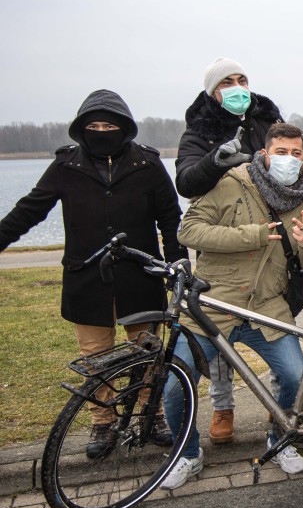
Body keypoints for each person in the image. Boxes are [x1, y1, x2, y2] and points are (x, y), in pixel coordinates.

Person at [0, 89, 187, 458]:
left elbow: (169, 217)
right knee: (94, 357)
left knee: (146, 352)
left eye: (110, 124)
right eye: (94, 125)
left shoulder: (147, 164)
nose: (102, 130)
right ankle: (102, 423)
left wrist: (177, 260)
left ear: (125, 127)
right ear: (82, 128)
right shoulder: (67, 165)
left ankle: (152, 417)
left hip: (141, 274)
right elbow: (29, 211)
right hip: (87, 277)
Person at [161, 123, 303, 489]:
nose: (289, 160)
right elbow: (187, 231)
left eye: (297, 154)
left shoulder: (302, 198)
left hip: (267, 307)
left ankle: (279, 438)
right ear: (265, 154)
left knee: (296, 378)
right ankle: (187, 455)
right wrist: (251, 236)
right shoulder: (229, 182)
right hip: (212, 305)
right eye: (281, 152)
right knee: (175, 384)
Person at [175, 57, 284, 445]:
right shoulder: (199, 134)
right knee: (217, 348)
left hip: (271, 251)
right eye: (227, 82)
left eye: (242, 79)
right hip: (223, 255)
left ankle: (280, 410)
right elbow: (186, 182)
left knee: (278, 340)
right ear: (213, 92)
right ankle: (223, 407)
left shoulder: (264, 123)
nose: (237, 87)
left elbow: (287, 156)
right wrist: (213, 161)